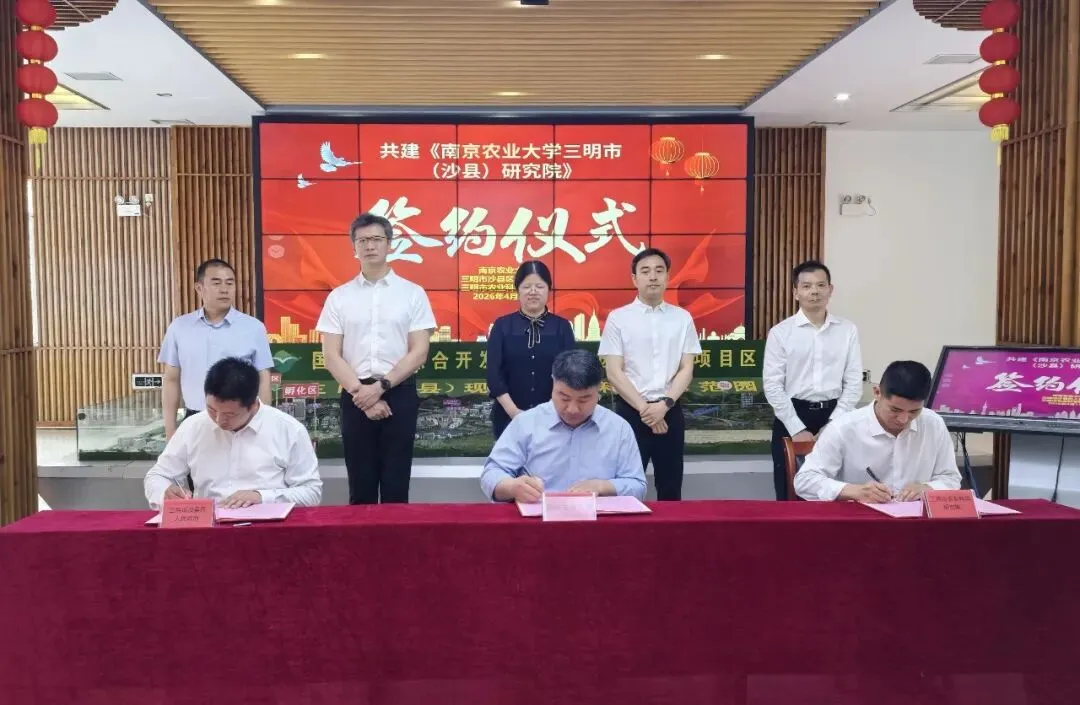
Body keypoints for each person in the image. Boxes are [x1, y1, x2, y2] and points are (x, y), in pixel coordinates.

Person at [317, 213, 436, 505]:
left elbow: (419, 351)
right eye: (362, 241)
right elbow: (331, 355)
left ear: (389, 243)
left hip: (399, 392)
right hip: (354, 393)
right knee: (361, 487)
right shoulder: (339, 297)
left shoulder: (412, 293)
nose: (369, 246)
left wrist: (381, 387)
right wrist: (363, 394)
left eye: (376, 239)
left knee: (397, 485)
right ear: (354, 247)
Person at [144, 357, 322, 510]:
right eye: (211, 410)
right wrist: (164, 492)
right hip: (209, 527)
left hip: (267, 528)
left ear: (253, 405)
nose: (219, 420)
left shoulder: (289, 430)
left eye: (229, 415)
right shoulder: (193, 426)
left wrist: (261, 497)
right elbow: (157, 475)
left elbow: (311, 492)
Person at [598, 248, 700, 501]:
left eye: (659, 270)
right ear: (634, 279)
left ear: (667, 277)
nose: (653, 276)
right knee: (626, 488)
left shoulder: (682, 318)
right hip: (631, 413)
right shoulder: (618, 318)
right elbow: (613, 371)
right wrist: (646, 410)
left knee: (670, 488)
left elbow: (687, 368)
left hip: (670, 411)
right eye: (645, 271)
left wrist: (664, 406)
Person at [480, 349, 646, 502]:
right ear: (553, 383)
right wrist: (512, 487)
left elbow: (638, 486)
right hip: (539, 519)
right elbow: (492, 473)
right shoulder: (526, 423)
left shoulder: (618, 428)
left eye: (584, 399)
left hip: (597, 520)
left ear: (599, 390)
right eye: (564, 397)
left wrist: (603, 486)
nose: (572, 409)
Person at [794, 360, 962, 503]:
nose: (903, 419)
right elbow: (804, 481)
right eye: (895, 410)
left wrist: (927, 488)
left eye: (914, 412)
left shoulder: (933, 424)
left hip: (916, 522)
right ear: (877, 392)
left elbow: (951, 478)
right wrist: (853, 491)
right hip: (860, 522)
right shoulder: (844, 428)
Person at [763, 260, 862, 500]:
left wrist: (833, 424)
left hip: (836, 415)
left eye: (820, 285)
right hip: (792, 416)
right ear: (796, 292)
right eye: (806, 286)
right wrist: (797, 428)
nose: (814, 291)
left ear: (830, 289)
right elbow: (772, 385)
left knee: (837, 493)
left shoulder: (847, 330)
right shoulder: (780, 332)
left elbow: (853, 382)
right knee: (789, 493)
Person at [159, 258, 273, 441]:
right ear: (199, 288)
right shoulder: (179, 327)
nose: (224, 289)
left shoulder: (254, 328)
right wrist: (170, 430)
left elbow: (263, 379)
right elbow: (171, 379)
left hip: (240, 421)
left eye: (230, 283)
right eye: (216, 283)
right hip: (194, 419)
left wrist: (263, 426)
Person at [485, 260, 576, 439]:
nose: (533, 291)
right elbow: (493, 375)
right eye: (527, 286)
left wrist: (551, 411)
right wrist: (514, 413)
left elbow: (569, 373)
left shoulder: (562, 327)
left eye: (539, 286)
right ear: (517, 290)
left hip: (554, 418)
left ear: (548, 289)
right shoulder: (502, 326)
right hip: (508, 418)